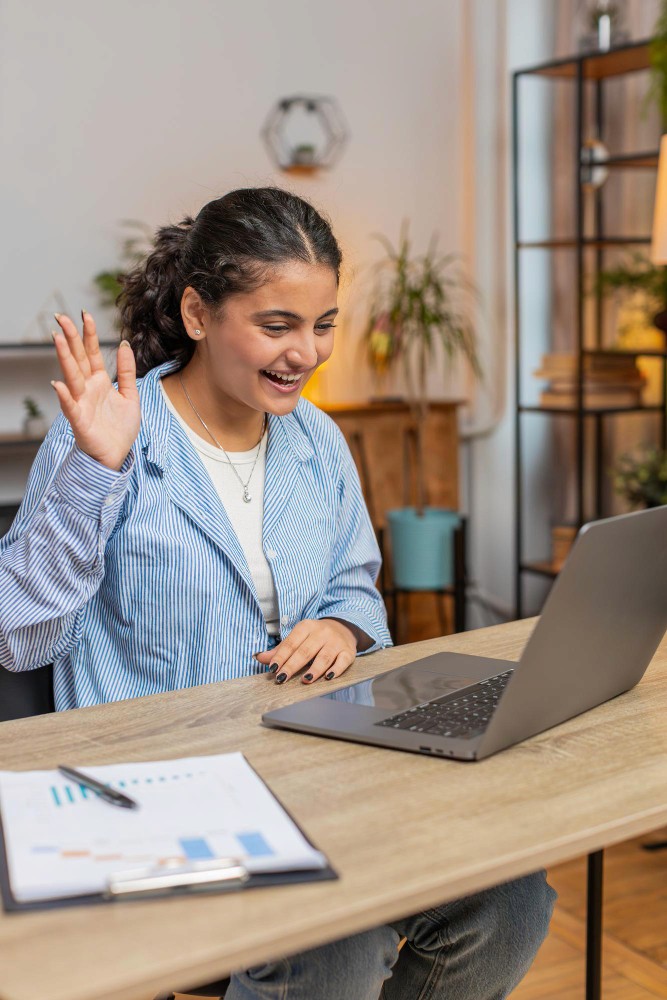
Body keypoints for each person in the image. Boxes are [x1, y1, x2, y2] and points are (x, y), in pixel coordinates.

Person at [0, 187, 555, 999]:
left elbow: (356, 588)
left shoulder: (317, 439)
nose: (307, 352)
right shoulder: (108, 432)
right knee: (333, 943)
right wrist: (97, 473)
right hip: (161, 790)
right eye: (276, 326)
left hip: (316, 771)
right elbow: (21, 641)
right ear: (197, 313)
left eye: (322, 324)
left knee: (508, 899)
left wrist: (340, 622)